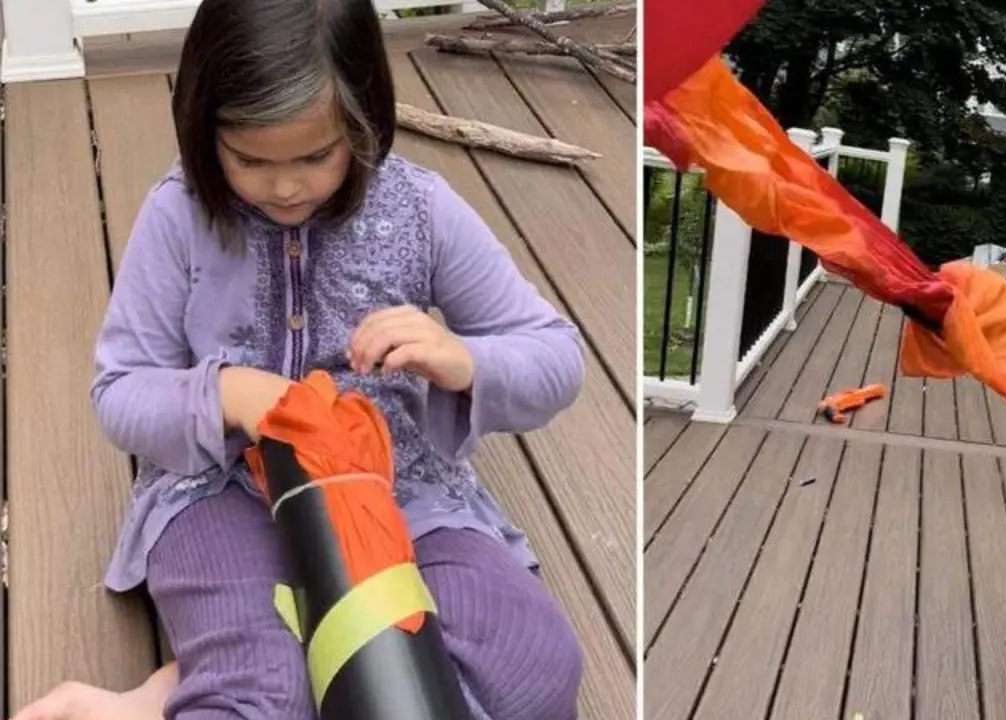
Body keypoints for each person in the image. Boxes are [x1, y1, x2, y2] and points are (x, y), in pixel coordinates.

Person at [12, 0, 586, 718]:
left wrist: (463, 358)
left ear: (365, 118)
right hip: (221, 495)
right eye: (249, 158)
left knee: (534, 664)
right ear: (202, 127)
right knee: (264, 695)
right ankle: (210, 681)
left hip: (398, 490)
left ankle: (187, 684)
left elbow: (557, 357)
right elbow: (120, 392)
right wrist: (228, 395)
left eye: (317, 155)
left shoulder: (418, 209)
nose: (285, 186)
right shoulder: (181, 216)